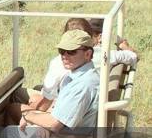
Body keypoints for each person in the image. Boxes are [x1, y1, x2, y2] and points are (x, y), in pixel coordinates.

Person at [8, 17, 138, 123]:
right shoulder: (107, 55)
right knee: (35, 90)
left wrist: (29, 114)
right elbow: (133, 56)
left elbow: (46, 107)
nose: (65, 55)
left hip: (61, 116)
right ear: (92, 36)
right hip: (81, 111)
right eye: (63, 50)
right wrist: (120, 42)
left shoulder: (60, 64)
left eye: (71, 50)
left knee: (13, 100)